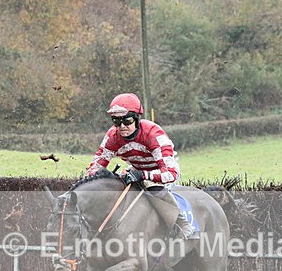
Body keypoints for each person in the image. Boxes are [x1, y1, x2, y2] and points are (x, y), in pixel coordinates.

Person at [85, 93, 198, 239]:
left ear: (137, 118)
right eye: (116, 121)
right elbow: (96, 165)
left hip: (162, 172)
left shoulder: (153, 134)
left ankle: (182, 225)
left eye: (127, 120)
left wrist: (143, 175)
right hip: (136, 169)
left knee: (150, 185)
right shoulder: (113, 136)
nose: (122, 126)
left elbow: (171, 173)